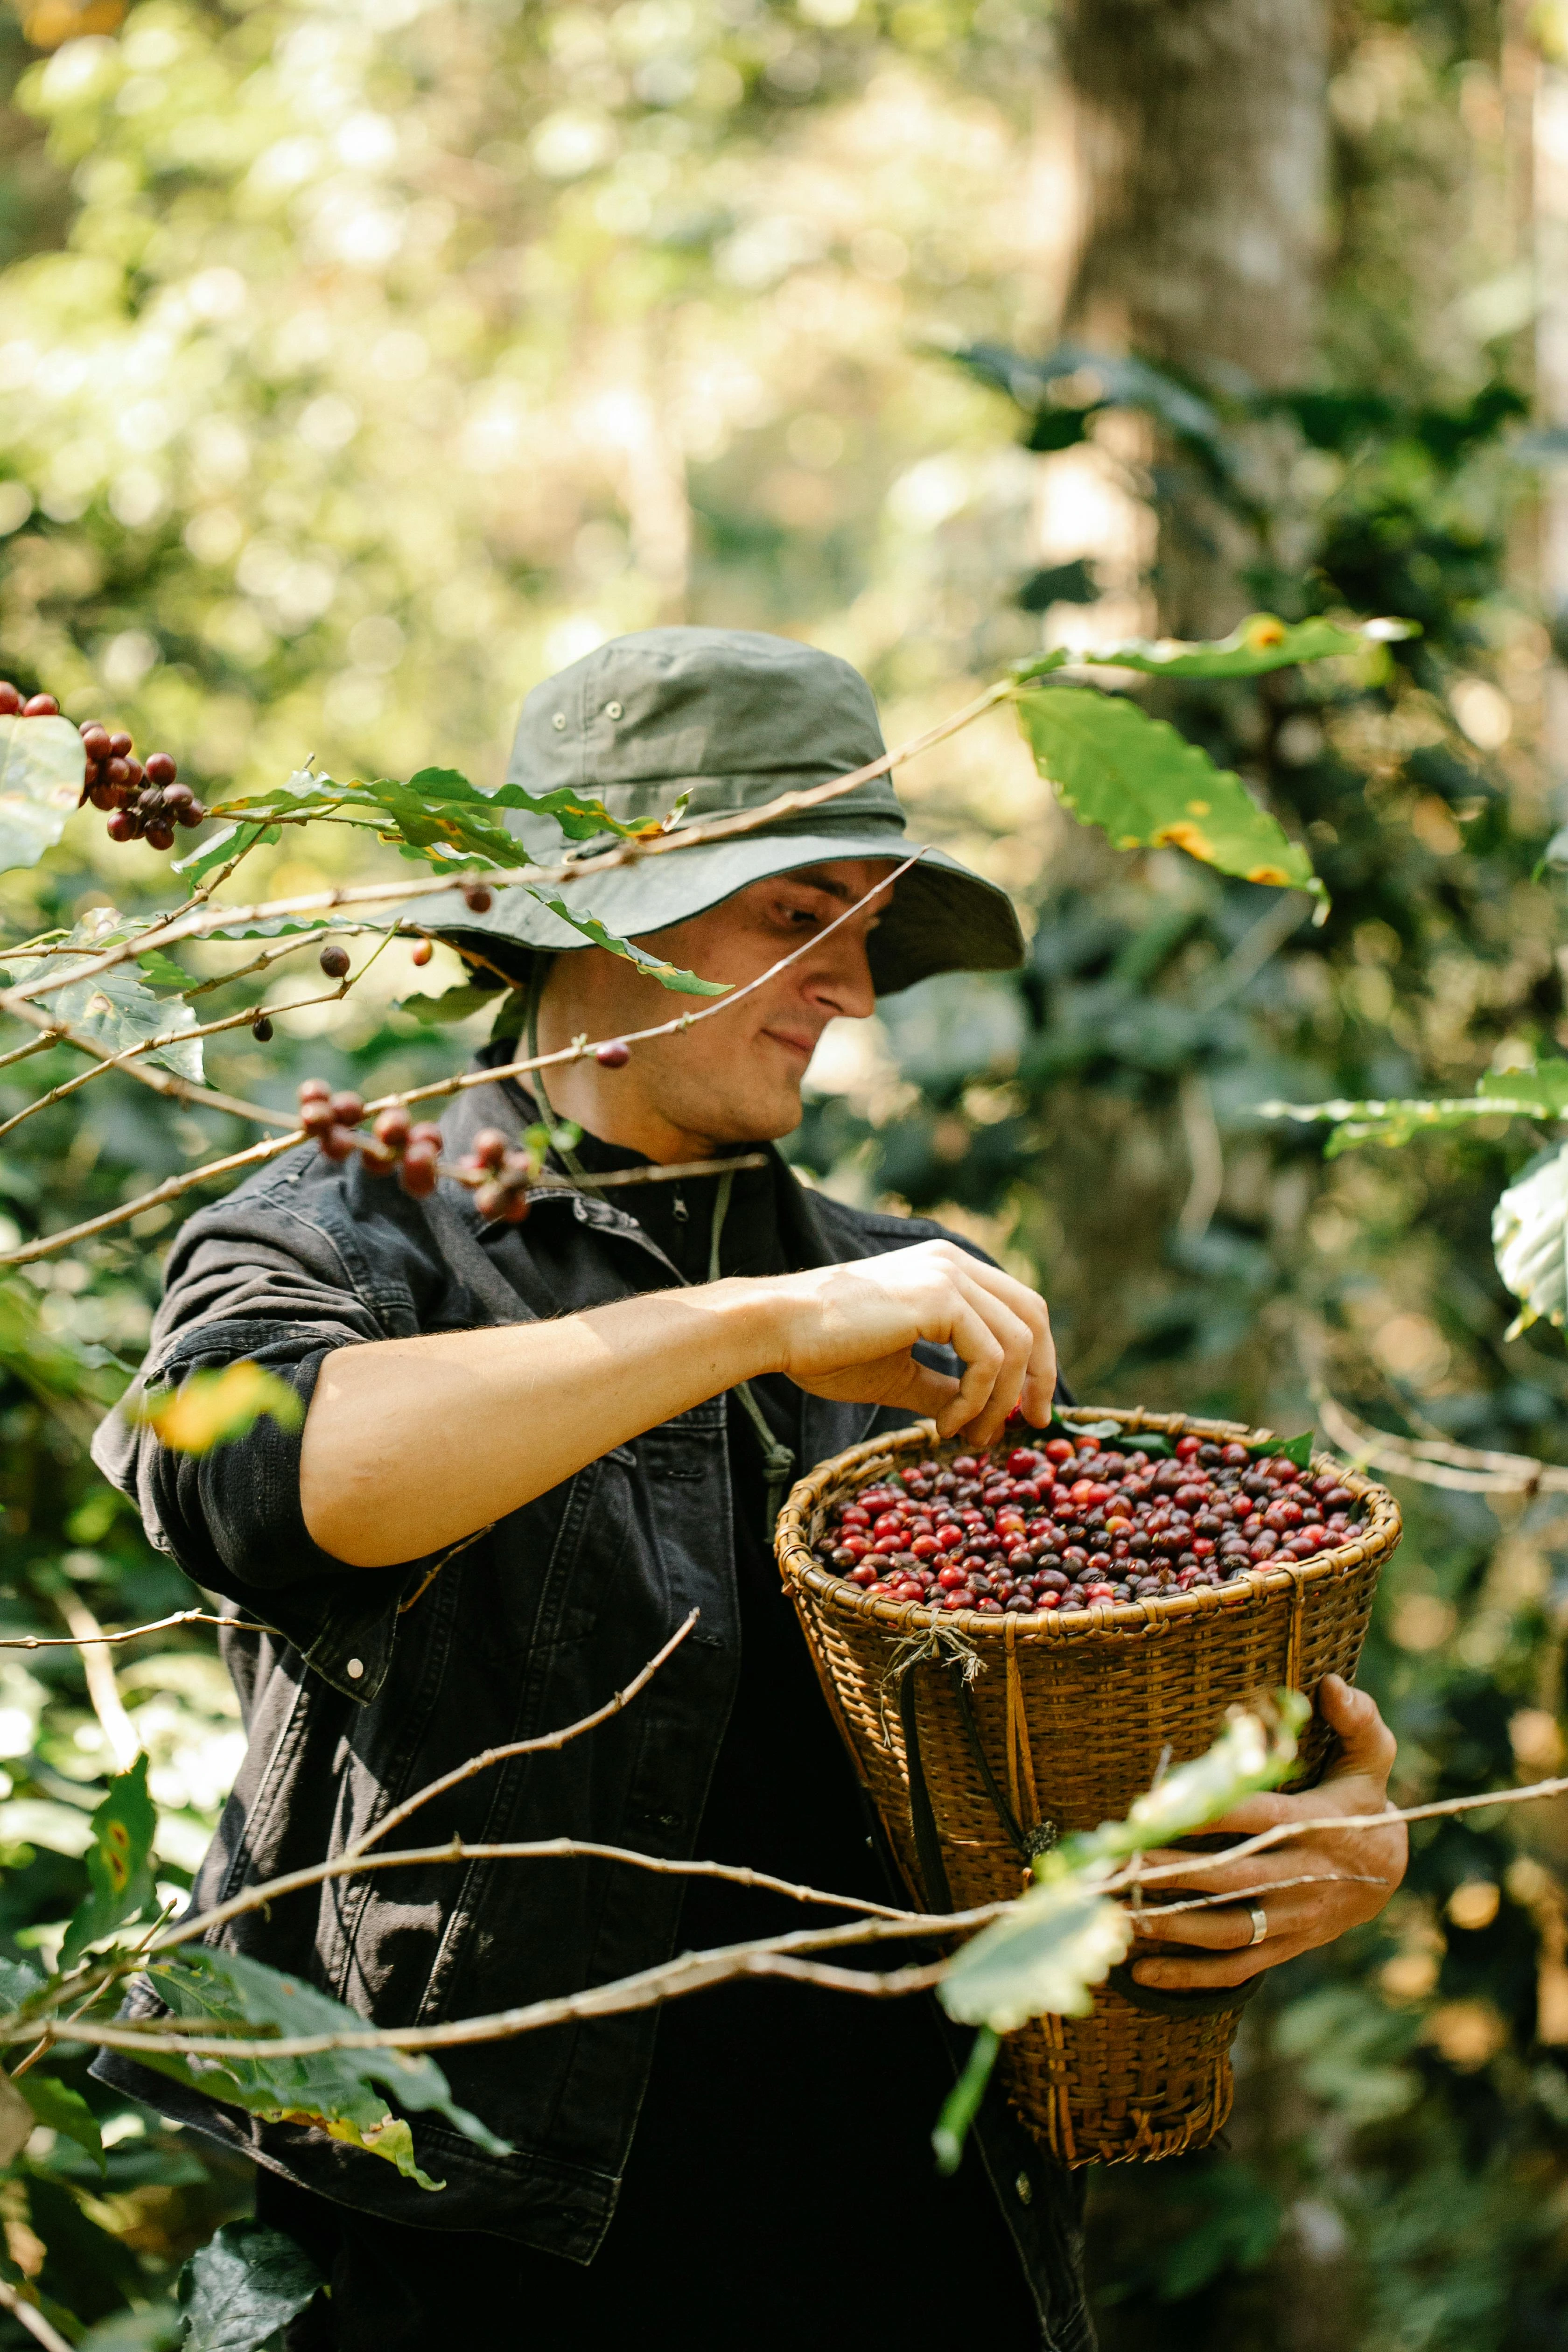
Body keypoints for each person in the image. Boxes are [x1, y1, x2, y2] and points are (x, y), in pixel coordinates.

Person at [91, 628, 1407, 2350]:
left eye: (870, 933)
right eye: (799, 919)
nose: (855, 990)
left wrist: (1320, 1831)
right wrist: (758, 1327)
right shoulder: (349, 1234)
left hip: (929, 2259)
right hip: (494, 2279)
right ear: (591, 908)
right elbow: (266, 1479)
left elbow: (1085, 1723)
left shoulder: (927, 1301)